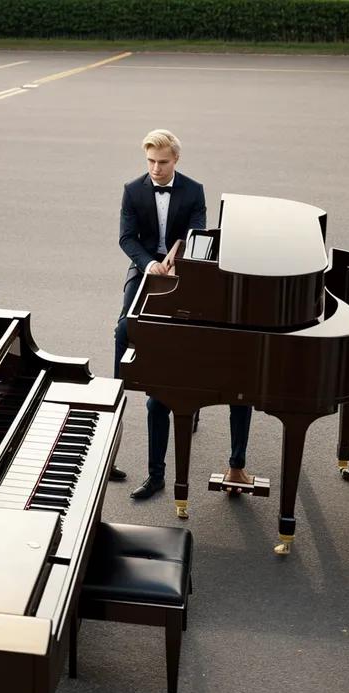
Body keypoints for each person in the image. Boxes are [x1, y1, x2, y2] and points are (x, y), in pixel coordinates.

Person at [110, 129, 253, 498]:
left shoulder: (193, 189)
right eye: (150, 162)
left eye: (162, 162)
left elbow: (199, 232)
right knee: (124, 328)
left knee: (191, 333)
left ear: (176, 160)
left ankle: (190, 397)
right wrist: (149, 264)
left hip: (183, 269)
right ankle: (116, 395)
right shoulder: (132, 189)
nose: (155, 169)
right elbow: (126, 238)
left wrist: (180, 256)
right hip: (146, 267)